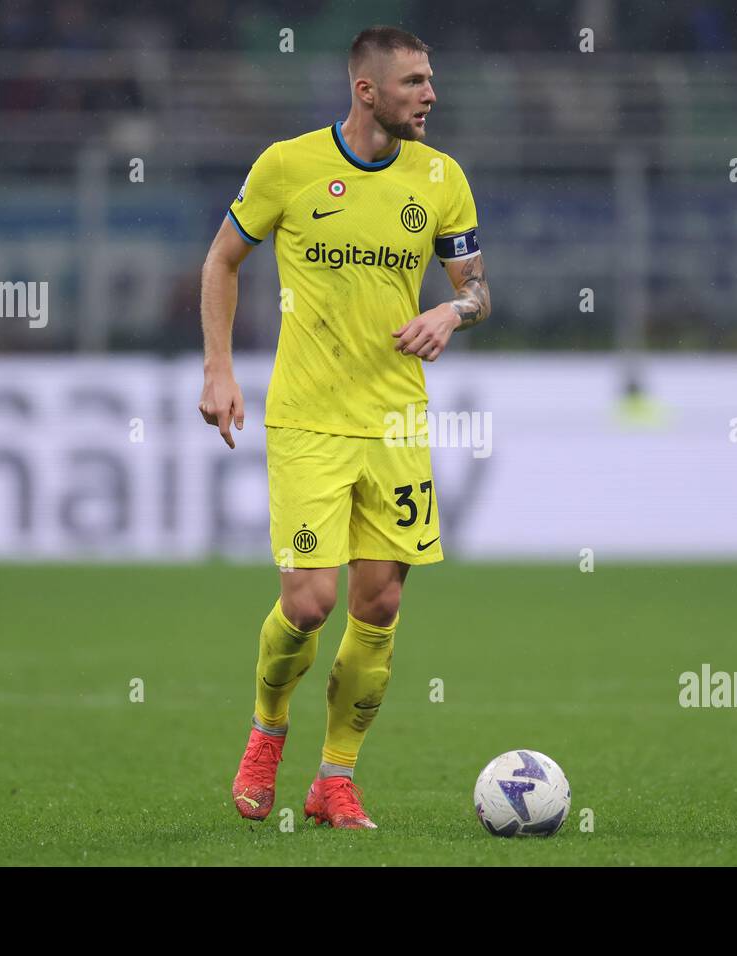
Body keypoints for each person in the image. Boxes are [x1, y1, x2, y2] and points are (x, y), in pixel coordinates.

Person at [198, 25, 490, 829]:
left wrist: (450, 310)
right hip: (307, 420)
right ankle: (266, 733)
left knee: (380, 606)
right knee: (309, 600)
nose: (430, 94)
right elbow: (222, 259)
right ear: (368, 92)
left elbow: (478, 291)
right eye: (414, 83)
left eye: (431, 80)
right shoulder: (287, 166)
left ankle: (335, 780)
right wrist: (219, 368)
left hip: (396, 424)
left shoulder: (442, 179)